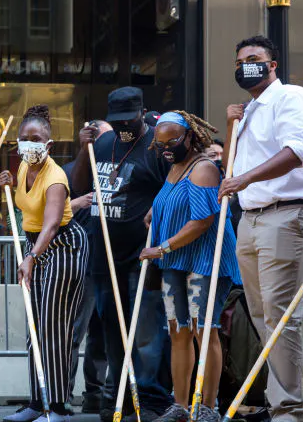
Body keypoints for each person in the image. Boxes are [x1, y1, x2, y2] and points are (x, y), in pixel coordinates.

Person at [216, 36, 303, 422]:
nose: (245, 65)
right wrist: (231, 125)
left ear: (272, 65)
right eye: (239, 61)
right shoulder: (247, 111)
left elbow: (296, 153)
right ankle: (283, 402)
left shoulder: (292, 97)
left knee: (280, 314)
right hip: (252, 216)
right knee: (263, 315)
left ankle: (290, 411)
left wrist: (244, 180)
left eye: (253, 58)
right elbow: (231, 167)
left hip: (290, 212)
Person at [70, 86, 173, 422]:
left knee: (145, 333)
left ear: (142, 113)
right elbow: (80, 186)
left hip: (141, 256)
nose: (124, 126)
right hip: (104, 256)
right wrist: (84, 149)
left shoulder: (156, 145)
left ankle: (152, 400)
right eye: (117, 121)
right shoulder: (103, 143)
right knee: (113, 333)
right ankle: (120, 397)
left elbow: (171, 190)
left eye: (129, 119)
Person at [137, 112, 240, 422]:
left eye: (172, 142)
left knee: (203, 331)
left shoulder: (203, 168)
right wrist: (156, 213)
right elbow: (176, 204)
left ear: (190, 137)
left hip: (204, 262)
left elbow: (202, 220)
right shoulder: (175, 168)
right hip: (176, 262)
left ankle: (208, 407)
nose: (166, 149)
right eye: (160, 144)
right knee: (178, 331)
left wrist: (162, 247)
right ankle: (180, 405)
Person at [0, 105, 88, 422]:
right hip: (35, 245)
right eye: (24, 138)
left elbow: (50, 225)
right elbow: (28, 206)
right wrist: (8, 182)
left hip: (62, 246)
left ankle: (59, 406)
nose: (29, 144)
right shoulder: (23, 166)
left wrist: (32, 258)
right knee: (35, 328)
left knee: (54, 328)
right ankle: (37, 402)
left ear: (48, 145)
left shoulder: (56, 178)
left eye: (36, 139)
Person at [64, 119, 111, 414]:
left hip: (109, 263)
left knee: (102, 334)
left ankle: (95, 393)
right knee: (73, 332)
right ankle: (63, 394)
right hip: (80, 263)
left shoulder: (117, 169)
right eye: (101, 137)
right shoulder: (71, 171)